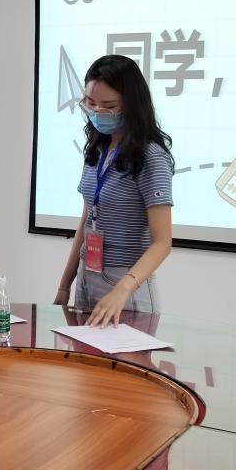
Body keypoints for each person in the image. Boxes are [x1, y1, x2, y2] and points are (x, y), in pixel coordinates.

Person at [55, 55, 174, 327]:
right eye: (90, 103)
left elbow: (162, 243)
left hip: (126, 284)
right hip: (87, 276)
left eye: (109, 106)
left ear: (132, 105)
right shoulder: (96, 149)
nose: (98, 112)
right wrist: (65, 284)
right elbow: (87, 220)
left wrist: (123, 289)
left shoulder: (151, 157)